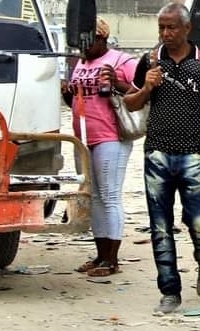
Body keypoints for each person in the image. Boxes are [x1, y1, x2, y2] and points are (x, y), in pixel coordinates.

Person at [123, 3, 200, 315]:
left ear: (187, 29)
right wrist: (146, 87)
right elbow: (130, 103)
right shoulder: (150, 60)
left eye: (171, 27)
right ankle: (169, 290)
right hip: (157, 153)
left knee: (198, 222)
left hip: (195, 155)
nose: (166, 33)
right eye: (161, 28)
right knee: (160, 225)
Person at [60, 17, 138, 277]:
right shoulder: (81, 62)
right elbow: (76, 99)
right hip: (83, 137)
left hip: (110, 136)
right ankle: (101, 255)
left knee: (110, 196)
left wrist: (117, 83)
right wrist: (68, 92)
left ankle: (112, 259)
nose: (83, 47)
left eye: (88, 41)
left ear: (102, 38)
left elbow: (141, 93)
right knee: (93, 197)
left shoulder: (121, 61)